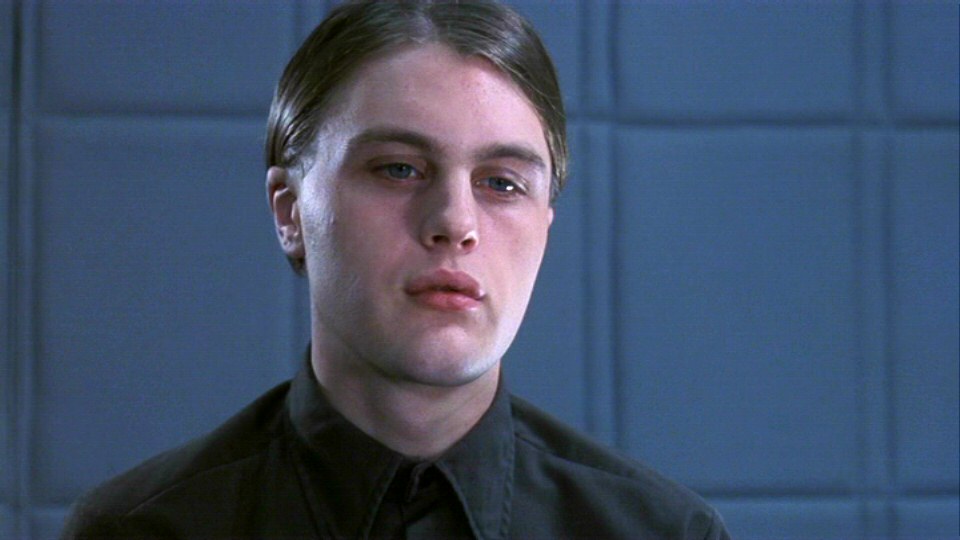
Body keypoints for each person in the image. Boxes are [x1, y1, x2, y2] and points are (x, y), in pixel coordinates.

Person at [62, 1, 729, 538]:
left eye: (501, 183)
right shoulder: (141, 531)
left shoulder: (663, 533)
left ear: (546, 226)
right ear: (290, 211)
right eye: (399, 169)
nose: (455, 222)